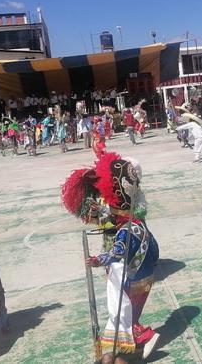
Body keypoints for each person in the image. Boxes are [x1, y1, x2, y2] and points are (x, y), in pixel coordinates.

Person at [62, 151, 161, 360]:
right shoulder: (137, 223)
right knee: (126, 315)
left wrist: (97, 260)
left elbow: (116, 252)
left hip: (133, 280)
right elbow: (154, 250)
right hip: (142, 275)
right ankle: (128, 346)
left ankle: (143, 337)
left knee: (124, 315)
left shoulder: (127, 231)